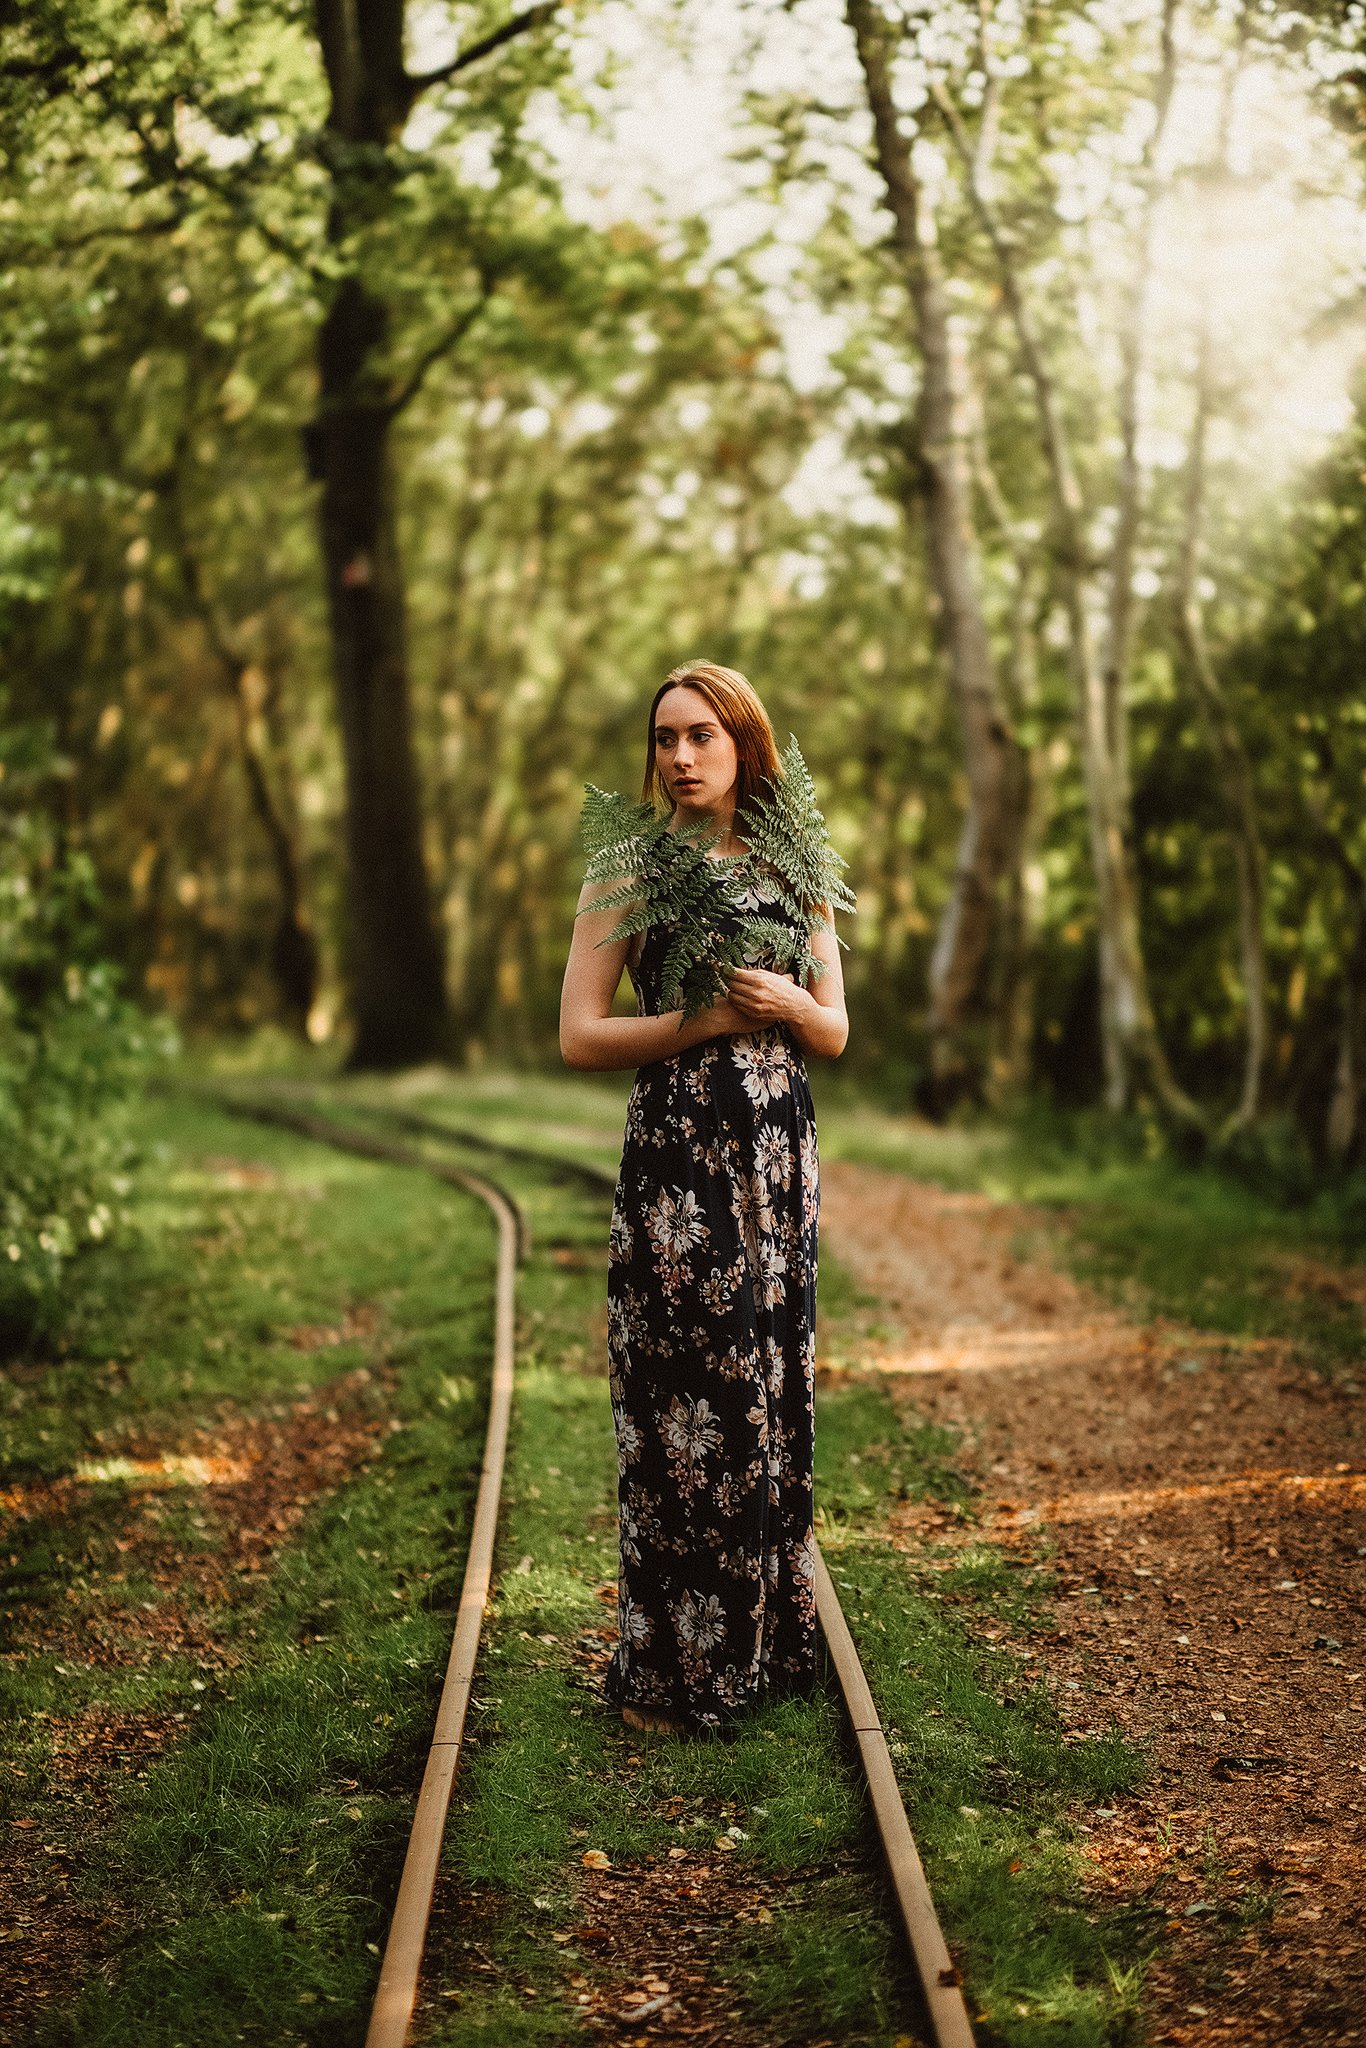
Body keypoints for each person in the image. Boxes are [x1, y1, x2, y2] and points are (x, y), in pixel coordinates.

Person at [559, 661, 849, 1733]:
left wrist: (783, 1002)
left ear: (744, 744)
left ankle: (762, 1649)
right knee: (682, 1401)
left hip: (776, 1160)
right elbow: (579, 1034)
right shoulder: (628, 868)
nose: (680, 757)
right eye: (664, 737)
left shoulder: (794, 858)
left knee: (767, 1390)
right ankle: (670, 1666)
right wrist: (701, 1027)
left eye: (701, 736)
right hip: (678, 1162)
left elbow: (834, 1027)